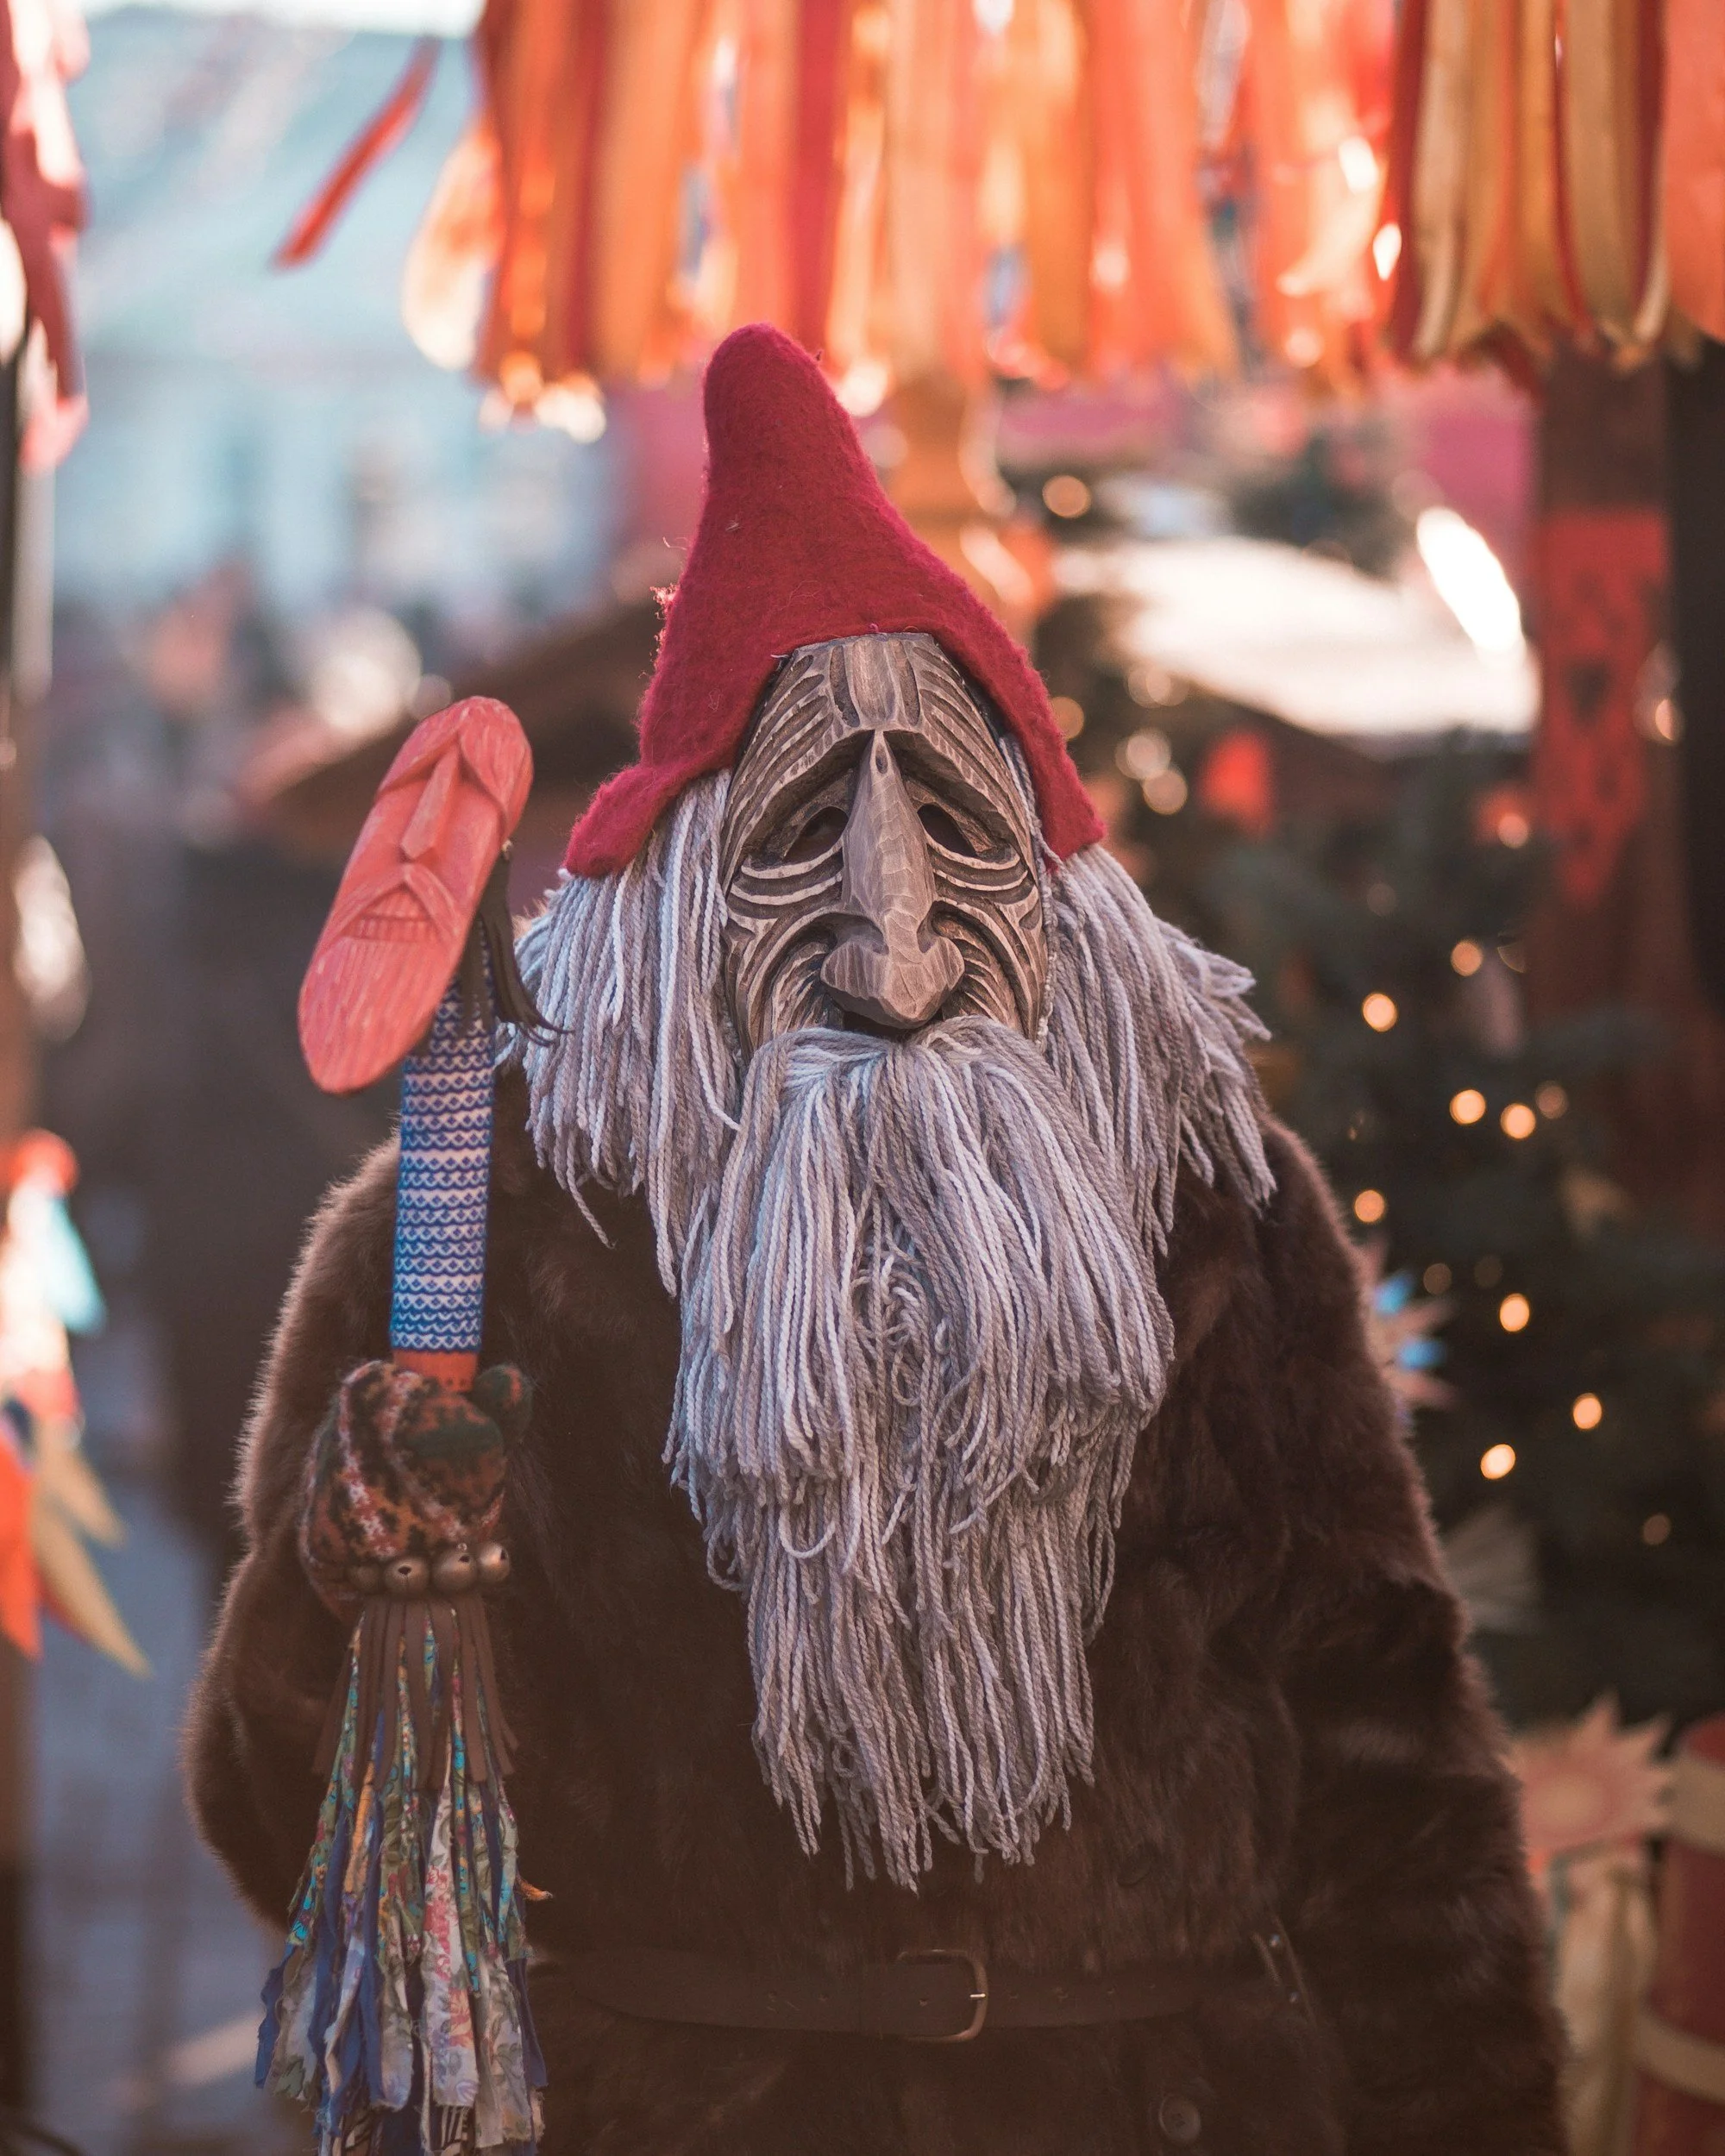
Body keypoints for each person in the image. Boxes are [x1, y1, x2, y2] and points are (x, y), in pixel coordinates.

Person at [188, 325, 1565, 2156]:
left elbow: (1389, 1767)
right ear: (678, 898)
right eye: (797, 844)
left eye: (956, 834)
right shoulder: (474, 1236)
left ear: (1058, 895)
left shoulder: (1213, 1212)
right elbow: (298, 1830)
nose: (891, 948)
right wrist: (368, 1578)